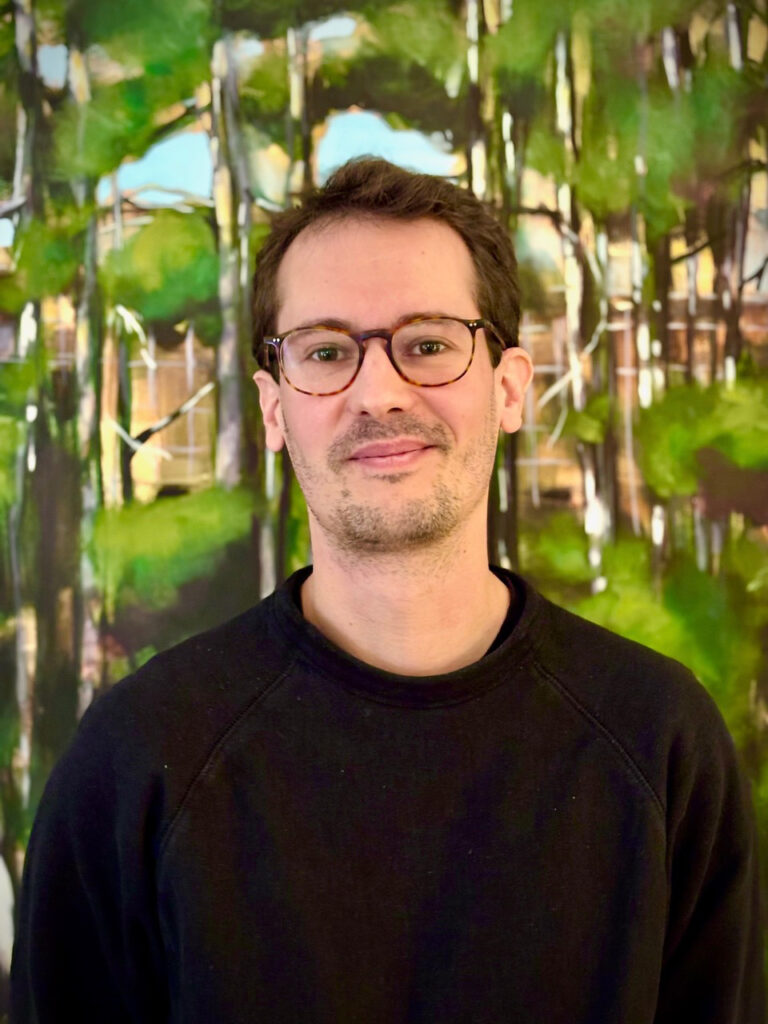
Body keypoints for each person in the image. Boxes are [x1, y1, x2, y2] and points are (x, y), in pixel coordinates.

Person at [11, 158, 763, 1023]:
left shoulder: (662, 744)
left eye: (429, 344)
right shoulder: (137, 761)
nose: (378, 392)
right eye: (327, 352)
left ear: (509, 388)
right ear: (274, 409)